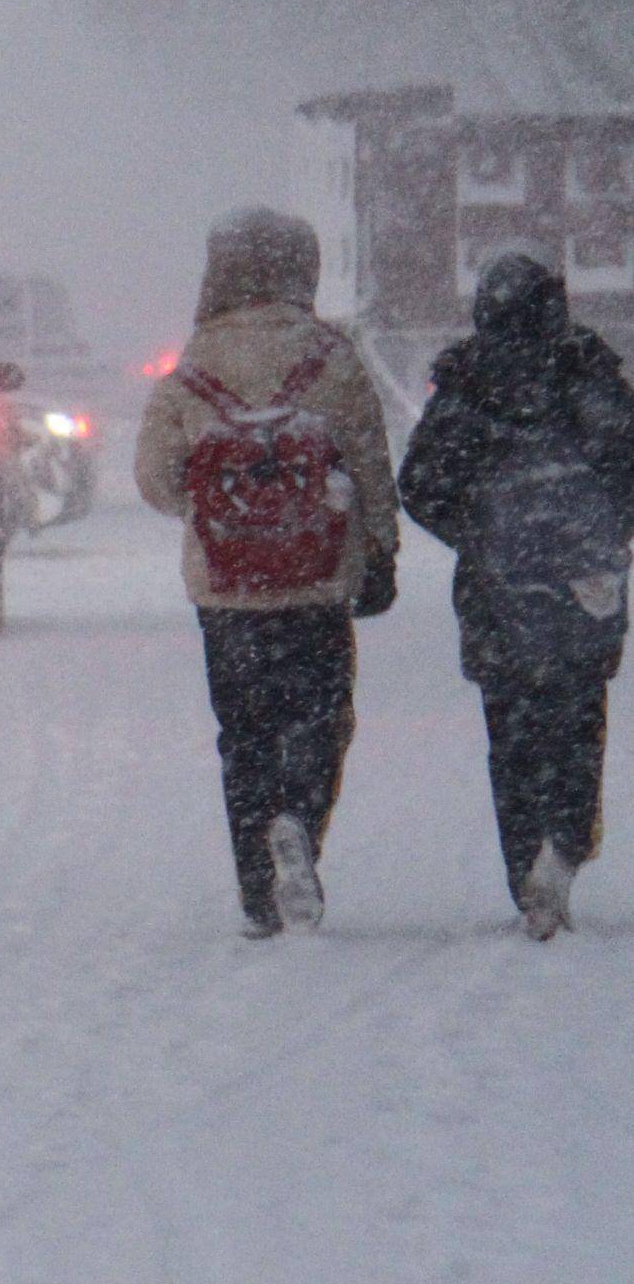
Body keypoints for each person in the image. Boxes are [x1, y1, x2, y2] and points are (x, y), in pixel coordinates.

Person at [135, 208, 400, 936]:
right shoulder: (333, 358)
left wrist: (219, 501)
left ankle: (258, 893)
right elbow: (373, 467)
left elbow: (156, 482)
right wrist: (380, 548)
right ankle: (299, 824)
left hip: (228, 587)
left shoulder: (192, 370)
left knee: (245, 732)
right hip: (318, 581)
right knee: (320, 717)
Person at [397, 253, 634, 939]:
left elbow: (421, 483)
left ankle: (527, 868)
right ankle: (565, 839)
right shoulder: (588, 369)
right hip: (583, 582)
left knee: (512, 732)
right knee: (578, 716)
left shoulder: (467, 382)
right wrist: (605, 533)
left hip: (498, 588)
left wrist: (476, 534)